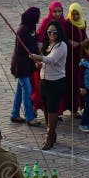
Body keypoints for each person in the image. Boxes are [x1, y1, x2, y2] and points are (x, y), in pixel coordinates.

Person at [29, 20, 67, 150]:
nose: (51, 34)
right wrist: (39, 63)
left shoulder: (62, 46)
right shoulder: (47, 45)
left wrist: (38, 57)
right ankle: (51, 133)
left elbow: (51, 60)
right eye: (49, 32)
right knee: (46, 109)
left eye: (54, 32)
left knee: (53, 110)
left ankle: (50, 137)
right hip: (44, 81)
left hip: (56, 82)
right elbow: (45, 61)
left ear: (59, 33)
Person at [10, 7, 41, 126]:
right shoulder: (22, 30)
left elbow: (33, 44)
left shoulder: (30, 28)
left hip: (26, 65)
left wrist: (36, 55)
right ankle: (29, 117)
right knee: (27, 90)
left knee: (20, 90)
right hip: (21, 65)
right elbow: (24, 49)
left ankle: (14, 113)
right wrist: (35, 56)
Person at [63, 2, 88, 118]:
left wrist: (83, 43)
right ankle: (72, 109)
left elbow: (85, 37)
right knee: (71, 83)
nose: (75, 17)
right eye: (73, 14)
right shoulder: (67, 24)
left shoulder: (83, 23)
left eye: (77, 14)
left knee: (80, 82)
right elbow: (64, 38)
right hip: (70, 59)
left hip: (80, 57)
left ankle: (78, 106)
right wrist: (70, 42)